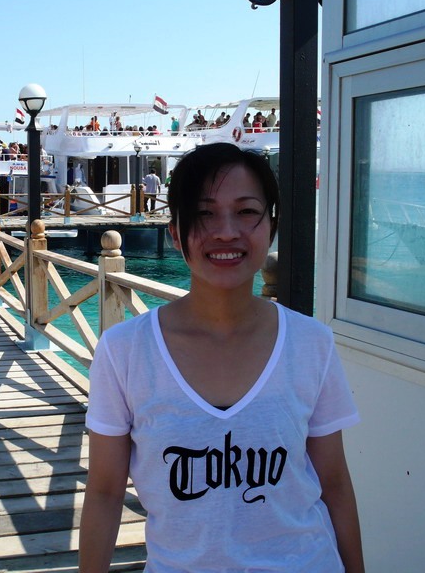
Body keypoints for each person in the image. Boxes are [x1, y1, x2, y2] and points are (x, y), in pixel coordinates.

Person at [79, 143, 364, 573]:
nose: (226, 232)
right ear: (175, 233)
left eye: (247, 211)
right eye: (204, 213)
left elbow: (335, 483)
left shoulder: (311, 343)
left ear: (271, 227)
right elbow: (104, 492)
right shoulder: (125, 350)